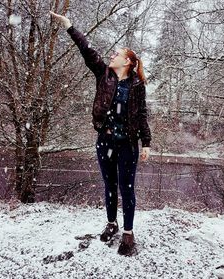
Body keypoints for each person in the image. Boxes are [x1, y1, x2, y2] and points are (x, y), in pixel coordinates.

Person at [50, 11, 151, 256]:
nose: (112, 55)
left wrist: (145, 142)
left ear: (127, 62)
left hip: (127, 143)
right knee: (109, 185)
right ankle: (111, 223)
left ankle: (128, 233)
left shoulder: (136, 86)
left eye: (117, 54)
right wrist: (69, 26)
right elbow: (87, 50)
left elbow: (141, 115)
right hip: (105, 139)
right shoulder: (103, 75)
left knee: (127, 188)